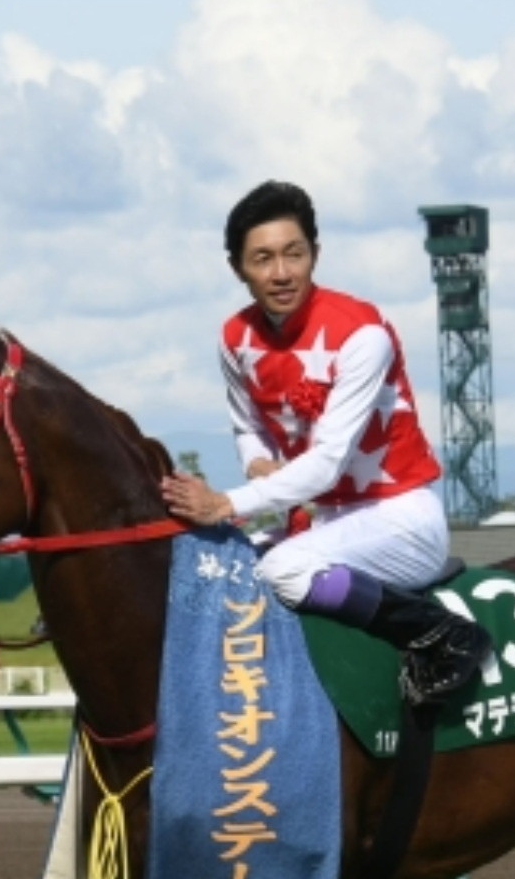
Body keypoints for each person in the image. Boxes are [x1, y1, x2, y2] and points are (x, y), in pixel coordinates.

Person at [161, 179, 491, 706]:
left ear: (315, 253)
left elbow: (326, 464)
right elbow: (247, 425)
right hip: (327, 522)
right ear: (237, 268)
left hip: (400, 518)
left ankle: (443, 634)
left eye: (295, 254)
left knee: (281, 569)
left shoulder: (362, 334)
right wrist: (259, 462)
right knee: (215, 565)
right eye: (263, 259)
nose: (282, 272)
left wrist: (225, 503)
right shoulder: (234, 338)